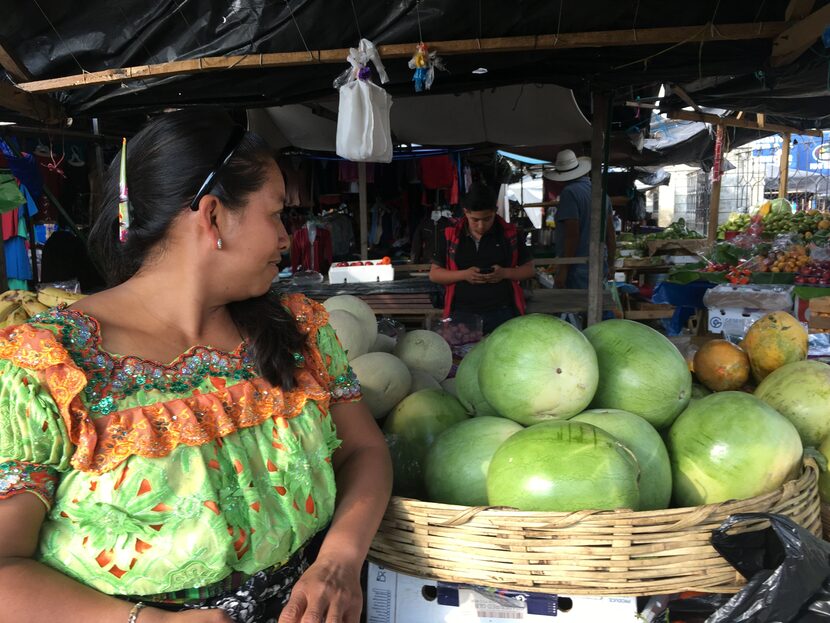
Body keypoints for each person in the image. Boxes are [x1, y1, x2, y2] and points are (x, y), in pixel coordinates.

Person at [0, 110, 392, 623]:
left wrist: (339, 559)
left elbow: (364, 449)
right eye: (275, 215)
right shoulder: (46, 364)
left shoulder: (299, 329)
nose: (284, 238)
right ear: (212, 216)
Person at [429, 182, 535, 334]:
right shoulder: (449, 235)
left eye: (487, 219)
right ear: (465, 212)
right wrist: (464, 275)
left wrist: (504, 273)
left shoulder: (509, 234)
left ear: (495, 211)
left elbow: (529, 270)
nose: (481, 226)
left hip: (502, 312)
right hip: (461, 313)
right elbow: (434, 274)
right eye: (475, 220)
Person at [544, 150, 616, 289]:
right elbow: (610, 235)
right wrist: (611, 264)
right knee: (596, 308)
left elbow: (572, 235)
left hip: (578, 267)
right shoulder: (601, 194)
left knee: (575, 308)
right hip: (599, 264)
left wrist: (563, 270)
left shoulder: (569, 193)